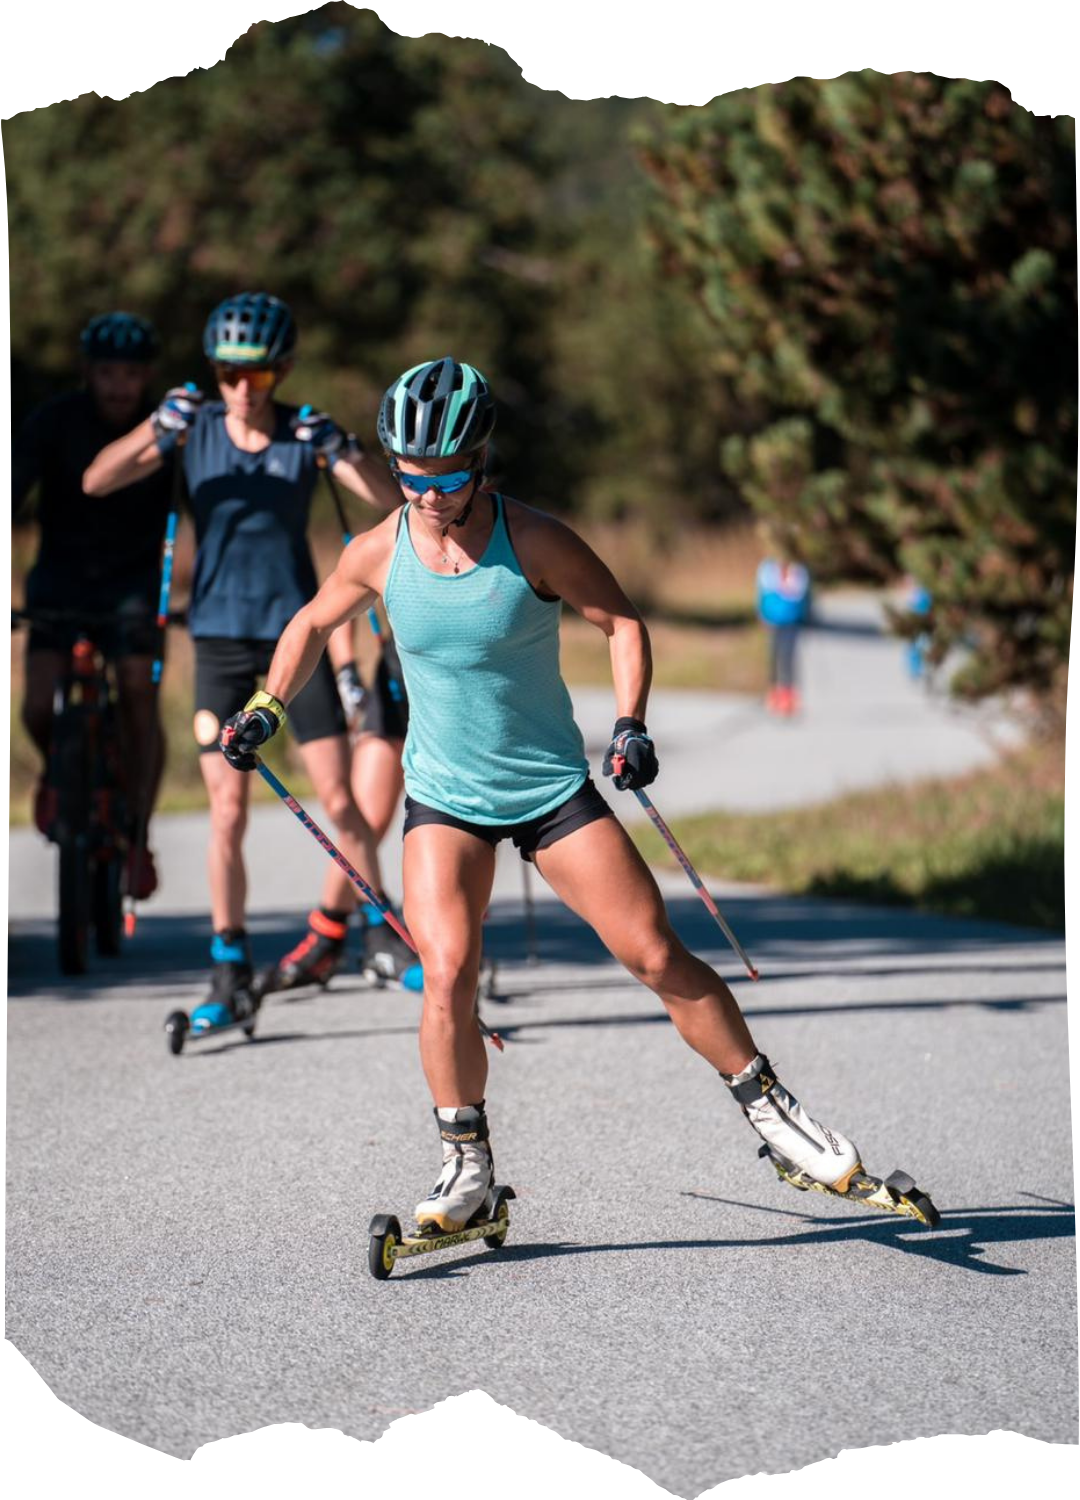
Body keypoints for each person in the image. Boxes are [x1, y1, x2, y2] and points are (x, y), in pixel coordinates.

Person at [217, 356, 904, 1234]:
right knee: (448, 975)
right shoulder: (377, 551)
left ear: (483, 460)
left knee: (656, 955)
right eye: (412, 477)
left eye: (450, 477)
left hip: (549, 791)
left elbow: (621, 622)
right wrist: (268, 705)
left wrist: (631, 722)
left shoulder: (533, 540)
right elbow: (313, 623)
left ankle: (773, 1113)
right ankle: (465, 1168)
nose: (430, 495)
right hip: (444, 798)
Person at [83, 292, 402, 1027]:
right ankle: (229, 961)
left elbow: (394, 513)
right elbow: (97, 480)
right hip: (221, 639)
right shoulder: (191, 430)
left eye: (256, 376)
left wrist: (346, 449)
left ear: (283, 372)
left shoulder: (303, 434)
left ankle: (380, 936)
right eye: (229, 372)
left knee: (341, 799)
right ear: (213, 371)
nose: (241, 389)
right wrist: (152, 428)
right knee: (227, 811)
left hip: (298, 635)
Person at [13, 311, 171, 898]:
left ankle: (137, 828)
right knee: (36, 704)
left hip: (132, 583)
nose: (118, 385)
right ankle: (62, 776)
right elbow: (14, 486)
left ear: (146, 376)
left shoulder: (167, 431)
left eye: (130, 374)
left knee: (137, 692)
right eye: (107, 372)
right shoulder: (53, 422)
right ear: (88, 372)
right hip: (59, 578)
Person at [756, 552, 811, 715]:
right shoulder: (767, 568)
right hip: (773, 618)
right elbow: (762, 592)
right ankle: (774, 691)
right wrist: (761, 612)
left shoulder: (798, 570)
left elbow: (798, 592)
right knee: (774, 655)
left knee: (789, 656)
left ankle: (788, 693)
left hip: (791, 620)